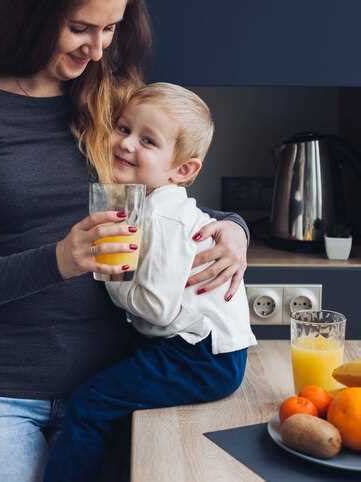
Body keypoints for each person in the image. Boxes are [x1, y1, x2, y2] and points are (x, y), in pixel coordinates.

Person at [0, 0, 249, 482]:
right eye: (82, 27)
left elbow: (175, 201)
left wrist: (234, 231)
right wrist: (58, 261)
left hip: (116, 382)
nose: (97, 48)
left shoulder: (119, 105)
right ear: (35, 10)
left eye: (110, 29)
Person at [44, 83, 257, 482]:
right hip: (195, 349)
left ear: (184, 170)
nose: (125, 144)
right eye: (123, 129)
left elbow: (157, 307)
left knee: (89, 404)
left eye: (147, 140)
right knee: (113, 402)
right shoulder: (151, 202)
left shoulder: (163, 216)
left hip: (200, 357)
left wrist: (108, 274)